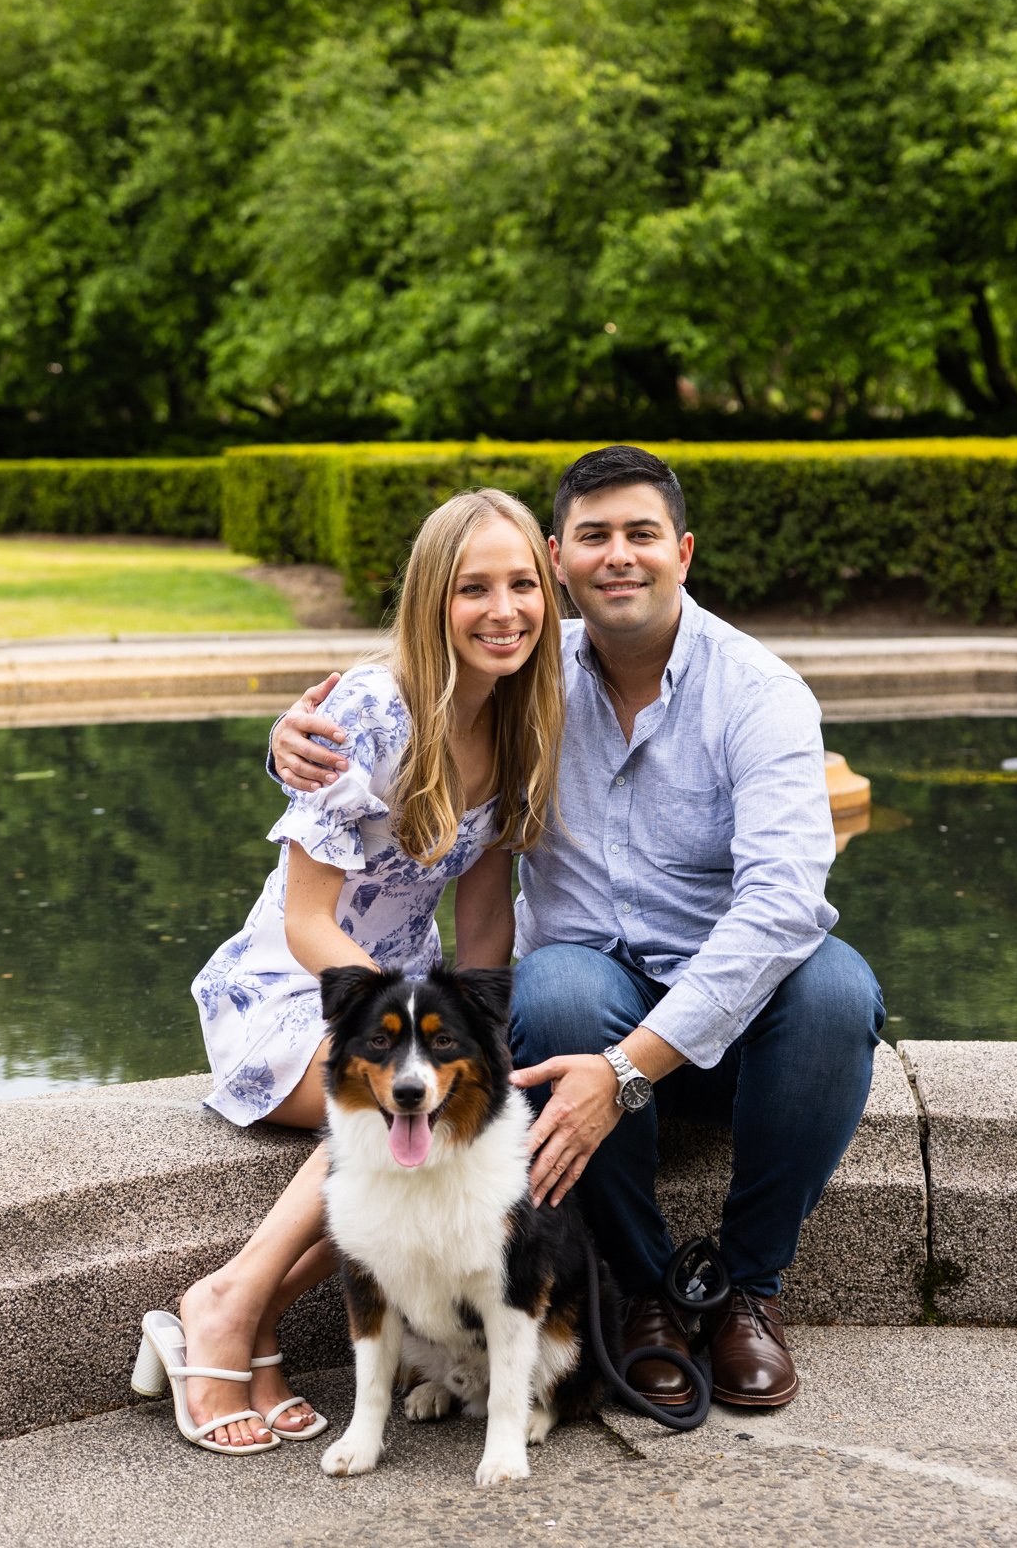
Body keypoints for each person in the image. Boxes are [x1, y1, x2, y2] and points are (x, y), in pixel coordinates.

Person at [271, 445, 885, 1412]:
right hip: (583, 1009)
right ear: (559, 557)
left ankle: (748, 1293)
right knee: (553, 985)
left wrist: (630, 1069)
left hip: (728, 1034)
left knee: (836, 987)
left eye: (642, 534)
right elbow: (412, 699)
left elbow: (778, 907)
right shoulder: (527, 666)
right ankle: (644, 1291)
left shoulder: (760, 695)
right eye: (592, 536)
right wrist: (292, 739)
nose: (618, 556)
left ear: (682, 550)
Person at [144, 489, 564, 1454]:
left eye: (519, 586)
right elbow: (301, 922)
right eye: (472, 589)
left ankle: (245, 1339)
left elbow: (485, 912)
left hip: (404, 1002)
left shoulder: (518, 719)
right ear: (430, 600)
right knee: (393, 1120)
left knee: (446, 1133)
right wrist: (404, 1023)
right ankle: (225, 1304)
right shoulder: (371, 713)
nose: (502, 611)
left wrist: (478, 1047)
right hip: (297, 988)